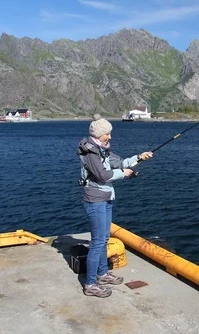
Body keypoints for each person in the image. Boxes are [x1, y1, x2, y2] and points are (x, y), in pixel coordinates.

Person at [76, 114, 153, 297]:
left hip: (106, 197)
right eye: (108, 134)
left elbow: (119, 163)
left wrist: (139, 157)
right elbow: (103, 175)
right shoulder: (90, 153)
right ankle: (91, 284)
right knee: (97, 242)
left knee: (103, 239)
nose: (110, 137)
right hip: (95, 200)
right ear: (99, 134)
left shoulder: (102, 148)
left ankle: (102, 274)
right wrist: (125, 174)